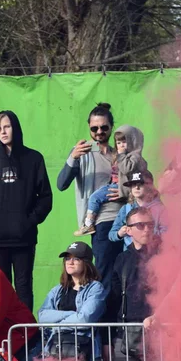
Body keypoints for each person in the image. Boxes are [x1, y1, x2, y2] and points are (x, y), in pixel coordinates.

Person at [0, 110, 52, 308]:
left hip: (24, 237)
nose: (3, 132)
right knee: (0, 288)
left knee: (24, 288)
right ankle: (3, 336)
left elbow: (45, 198)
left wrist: (29, 221)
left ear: (15, 127)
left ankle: (25, 336)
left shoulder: (34, 158)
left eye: (6, 126)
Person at [109, 208, 162, 361]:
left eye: (150, 224)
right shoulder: (121, 259)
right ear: (128, 230)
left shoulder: (164, 255)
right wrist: (108, 339)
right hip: (125, 336)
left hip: (159, 336)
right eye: (140, 225)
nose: (147, 229)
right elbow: (111, 300)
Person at [56, 103, 121, 277]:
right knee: (105, 273)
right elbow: (61, 184)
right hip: (101, 222)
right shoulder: (82, 152)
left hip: (124, 219)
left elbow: (135, 184)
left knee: (124, 272)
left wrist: (124, 192)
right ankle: (104, 305)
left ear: (111, 127)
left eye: (104, 127)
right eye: (94, 128)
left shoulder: (119, 154)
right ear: (89, 128)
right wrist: (73, 158)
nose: (99, 131)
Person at [38, 242, 108, 361]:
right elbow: (42, 316)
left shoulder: (96, 288)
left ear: (86, 262)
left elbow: (84, 319)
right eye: (67, 258)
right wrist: (71, 315)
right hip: (56, 351)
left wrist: (57, 322)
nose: (70, 262)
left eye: (76, 259)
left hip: (85, 353)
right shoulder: (58, 290)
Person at [80, 125, 147, 237]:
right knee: (95, 197)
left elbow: (126, 169)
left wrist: (121, 155)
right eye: (118, 142)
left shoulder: (135, 157)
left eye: (124, 142)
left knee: (94, 198)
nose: (121, 145)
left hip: (122, 187)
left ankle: (88, 224)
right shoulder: (122, 155)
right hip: (115, 184)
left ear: (133, 141)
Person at [109, 171, 166, 250]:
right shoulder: (125, 209)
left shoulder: (160, 209)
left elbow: (167, 233)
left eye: (140, 184)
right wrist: (119, 233)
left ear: (149, 187)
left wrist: (148, 234)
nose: (136, 187)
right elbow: (111, 235)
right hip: (131, 255)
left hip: (154, 253)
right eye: (133, 185)